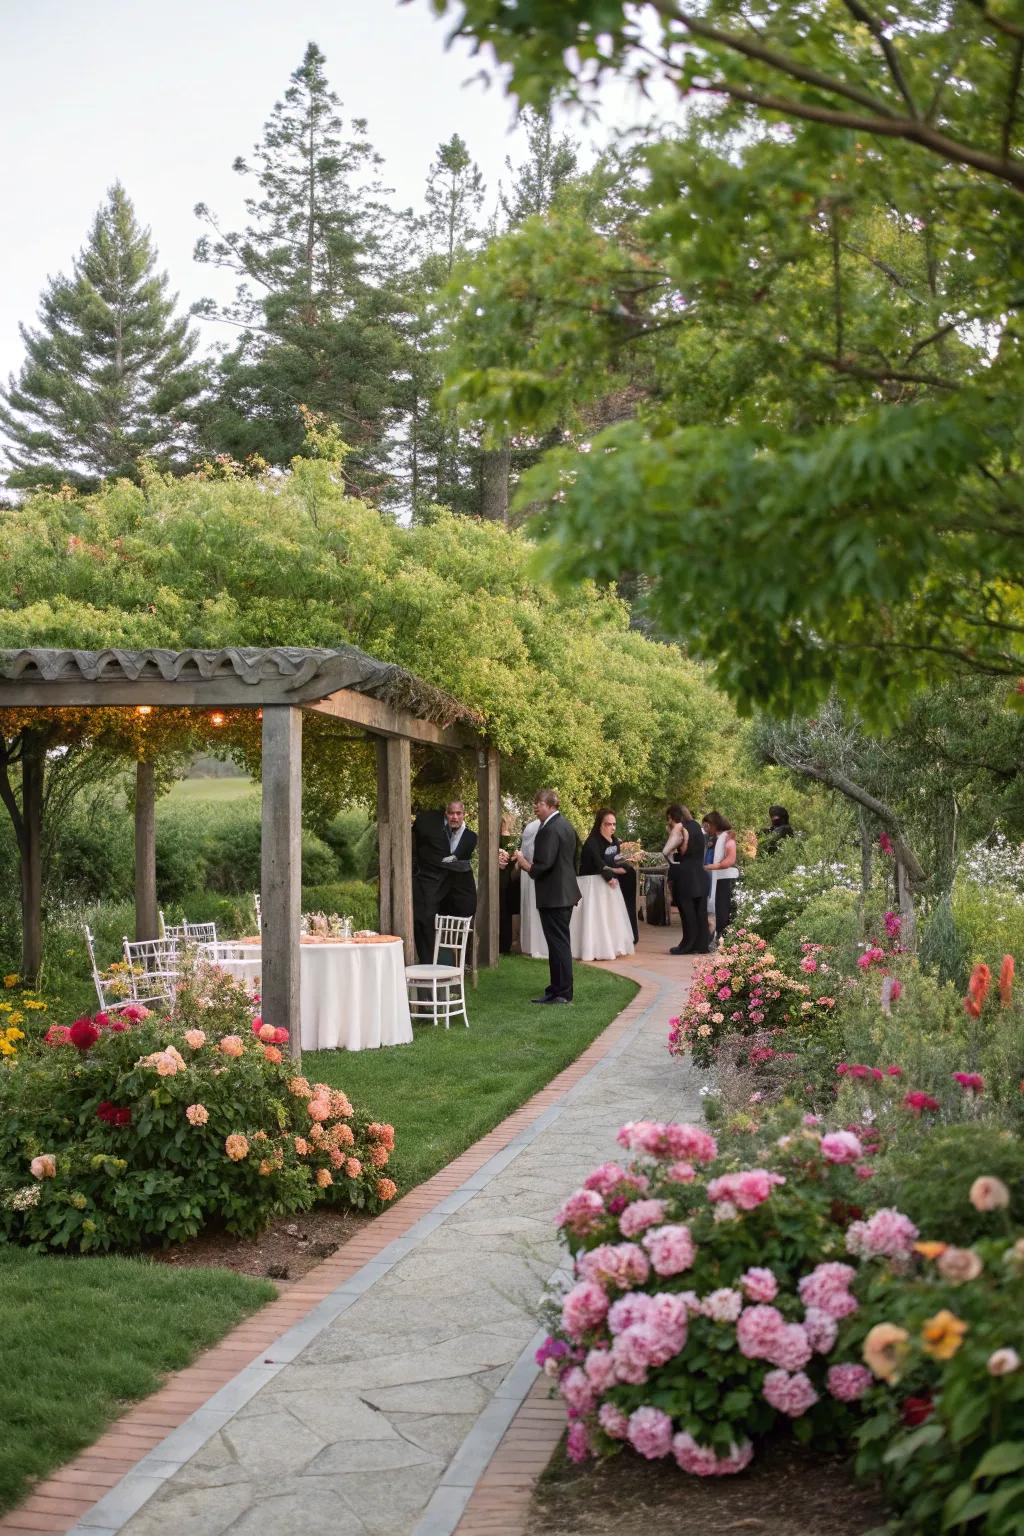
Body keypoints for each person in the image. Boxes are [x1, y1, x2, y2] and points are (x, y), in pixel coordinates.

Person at [512, 789, 580, 1003]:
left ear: (551, 805)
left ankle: (562, 993)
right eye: (535, 802)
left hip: (554, 896)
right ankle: (556, 988)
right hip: (563, 894)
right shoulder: (566, 825)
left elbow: (544, 864)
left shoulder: (550, 829)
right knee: (558, 943)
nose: (535, 807)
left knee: (558, 944)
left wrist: (524, 864)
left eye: (539, 803)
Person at [412, 800, 478, 963]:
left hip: (458, 893)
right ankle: (428, 964)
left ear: (464, 815)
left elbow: (458, 860)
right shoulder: (428, 826)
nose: (454, 817)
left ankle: (458, 965)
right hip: (430, 887)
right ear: (445, 814)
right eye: (451, 813)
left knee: (456, 929)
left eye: (458, 813)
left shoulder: (469, 837)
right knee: (425, 921)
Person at [580, 808, 639, 943]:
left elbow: (618, 859)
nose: (612, 828)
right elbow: (598, 864)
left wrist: (625, 867)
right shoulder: (592, 842)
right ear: (600, 824)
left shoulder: (615, 841)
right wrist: (610, 874)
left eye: (614, 824)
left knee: (630, 874)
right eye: (608, 824)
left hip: (611, 879)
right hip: (593, 883)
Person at [668, 804, 708, 956]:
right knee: (700, 912)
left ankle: (687, 945)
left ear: (675, 817)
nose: (669, 823)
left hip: (686, 874)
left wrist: (671, 854)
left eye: (669, 819)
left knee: (687, 912)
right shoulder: (697, 826)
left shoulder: (681, 828)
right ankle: (701, 944)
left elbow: (681, 850)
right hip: (701, 873)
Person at [705, 810, 740, 946]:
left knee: (722, 909)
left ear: (714, 824)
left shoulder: (727, 840)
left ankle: (721, 936)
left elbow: (729, 861)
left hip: (724, 878)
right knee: (717, 909)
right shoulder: (716, 839)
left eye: (708, 825)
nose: (706, 829)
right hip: (716, 877)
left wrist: (710, 867)